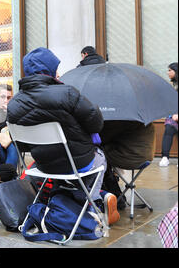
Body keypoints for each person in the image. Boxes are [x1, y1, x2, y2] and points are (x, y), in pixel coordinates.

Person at [7, 47, 119, 224]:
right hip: (79, 162)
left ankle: (68, 200)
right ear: (49, 70)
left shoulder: (14, 103)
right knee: (100, 158)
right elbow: (96, 124)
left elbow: (22, 146)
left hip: (44, 166)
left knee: (66, 165)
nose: (58, 72)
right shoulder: (67, 93)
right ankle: (90, 204)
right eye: (55, 68)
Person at [160, 62, 178, 167]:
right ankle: (165, 157)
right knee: (169, 128)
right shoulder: (172, 85)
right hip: (173, 115)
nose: (168, 72)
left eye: (170, 70)